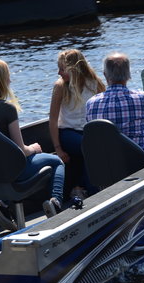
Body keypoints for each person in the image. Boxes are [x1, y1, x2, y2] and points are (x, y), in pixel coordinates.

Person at [0, 59, 64, 228]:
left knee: (10, 165)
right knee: (57, 161)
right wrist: (34, 148)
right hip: (14, 173)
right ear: (0, 80)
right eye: (7, 76)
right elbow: (22, 150)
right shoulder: (7, 109)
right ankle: (55, 203)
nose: (10, 80)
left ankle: (3, 205)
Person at [86, 52, 144, 161]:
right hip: (139, 159)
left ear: (105, 74)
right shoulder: (142, 98)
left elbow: (94, 133)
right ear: (128, 74)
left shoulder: (91, 103)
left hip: (108, 161)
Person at [49, 49, 106, 199]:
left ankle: (79, 188)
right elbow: (53, 119)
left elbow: (105, 106)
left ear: (74, 69)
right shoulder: (60, 86)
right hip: (68, 133)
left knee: (95, 145)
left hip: (89, 132)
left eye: (62, 69)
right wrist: (58, 149)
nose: (59, 72)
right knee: (91, 146)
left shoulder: (95, 83)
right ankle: (93, 193)